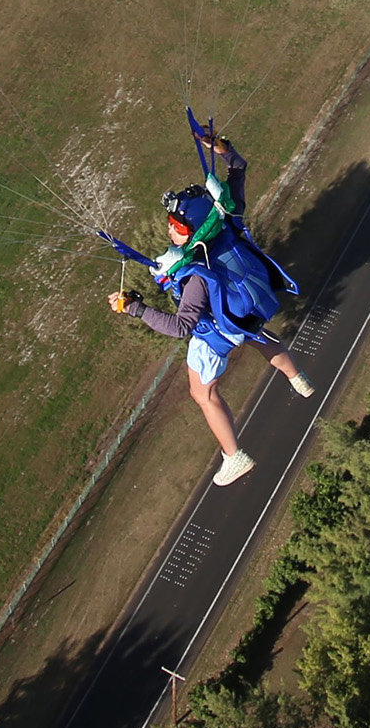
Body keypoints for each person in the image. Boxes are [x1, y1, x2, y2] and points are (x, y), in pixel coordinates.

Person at [111, 131, 311, 486]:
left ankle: (235, 456)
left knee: (202, 393)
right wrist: (220, 148)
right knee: (258, 336)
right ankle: (297, 378)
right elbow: (238, 170)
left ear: (187, 229)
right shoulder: (229, 221)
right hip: (255, 306)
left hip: (220, 332)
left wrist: (134, 308)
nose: (171, 233)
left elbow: (180, 327)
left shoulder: (195, 274)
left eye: (175, 226)